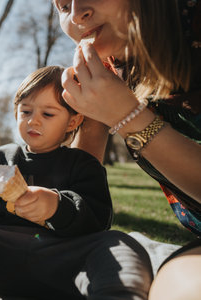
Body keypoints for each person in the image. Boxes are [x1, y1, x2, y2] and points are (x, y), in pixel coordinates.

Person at [0, 66, 153, 300]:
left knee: (121, 242)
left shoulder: (83, 164)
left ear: (72, 121)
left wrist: (56, 206)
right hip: (1, 249)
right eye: (25, 111)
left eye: (47, 114)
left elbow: (98, 220)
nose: (33, 121)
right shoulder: (1, 155)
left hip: (59, 255)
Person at [54, 0, 201, 299]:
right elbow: (83, 185)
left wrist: (128, 117)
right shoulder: (107, 68)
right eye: (62, 4)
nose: (77, 11)